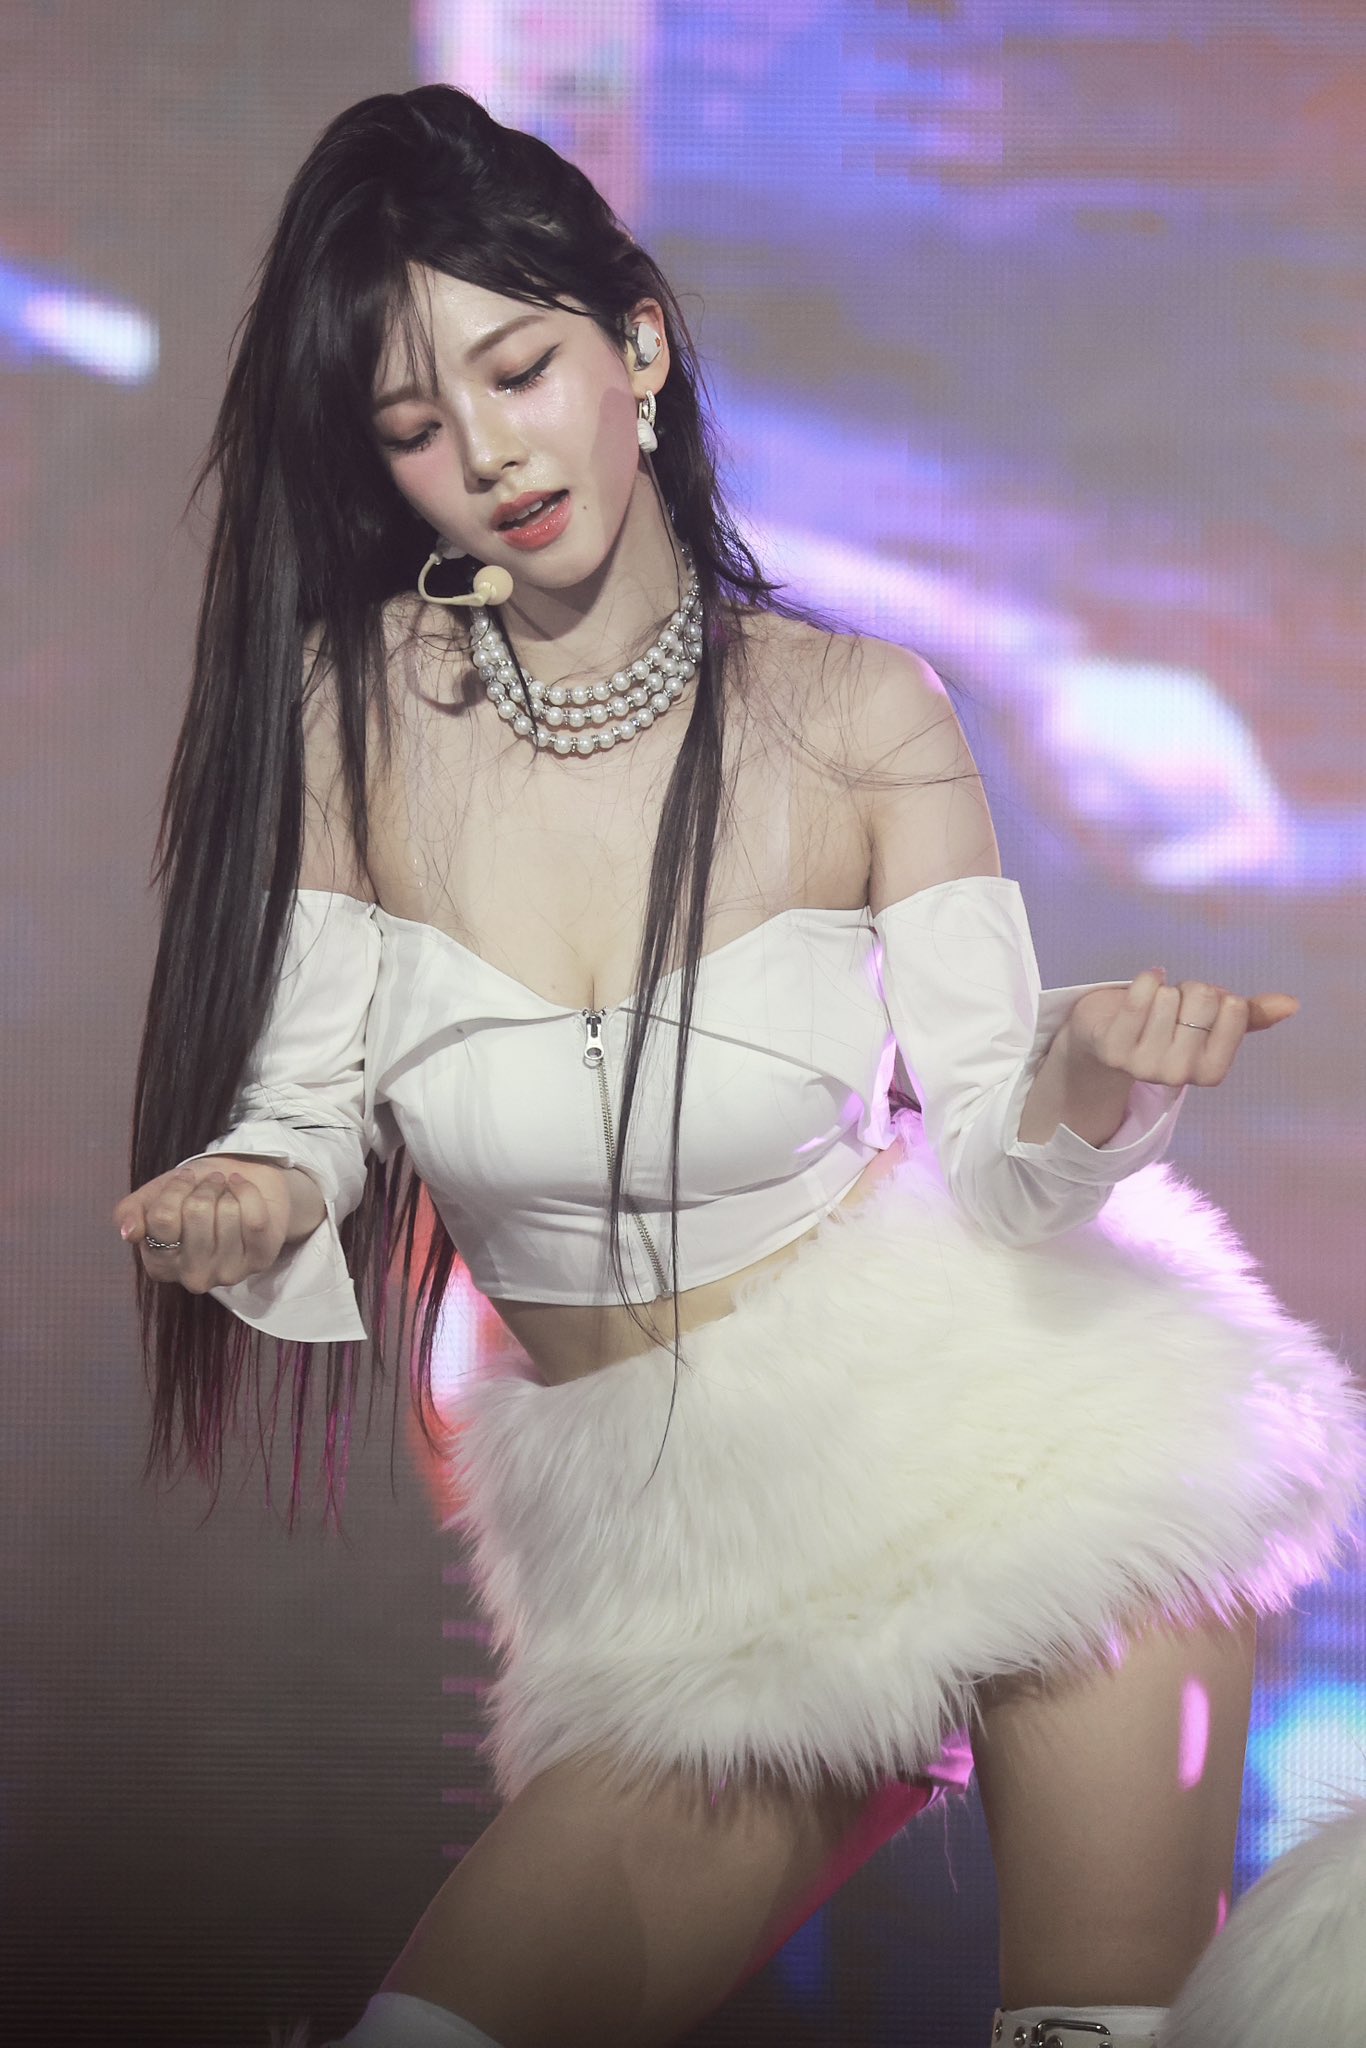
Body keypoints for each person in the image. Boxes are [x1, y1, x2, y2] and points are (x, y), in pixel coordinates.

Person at [113, 85, 1365, 2048]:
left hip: (1026, 1446)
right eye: (415, 422)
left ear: (634, 345)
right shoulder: (349, 722)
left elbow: (994, 1144)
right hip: (675, 1576)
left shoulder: (855, 709)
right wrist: (246, 1195)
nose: (485, 452)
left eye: (517, 370)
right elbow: (304, 1111)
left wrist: (1093, 1071)